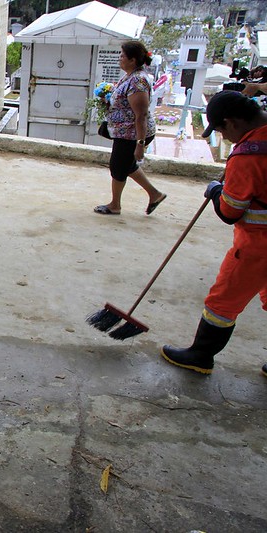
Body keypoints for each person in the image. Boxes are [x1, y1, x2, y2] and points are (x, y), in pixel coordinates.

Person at [161, 90, 267, 377]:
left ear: (231, 123)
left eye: (221, 130)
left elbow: (230, 212)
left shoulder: (248, 156)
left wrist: (216, 191)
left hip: (258, 247)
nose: (225, 137)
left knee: (223, 302)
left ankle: (200, 355)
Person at [94, 40, 166, 216]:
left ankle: (115, 205)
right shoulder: (130, 76)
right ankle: (155, 194)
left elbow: (140, 115)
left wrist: (140, 144)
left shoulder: (138, 81)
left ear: (133, 60)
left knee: (118, 167)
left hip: (132, 135)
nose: (120, 58)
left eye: (122, 55)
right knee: (127, 165)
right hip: (126, 132)